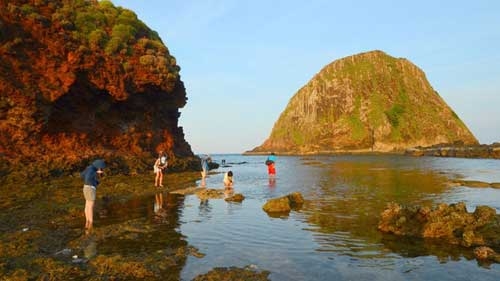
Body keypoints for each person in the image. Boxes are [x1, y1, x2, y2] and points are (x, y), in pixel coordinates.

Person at [81, 159, 105, 232]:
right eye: (101, 168)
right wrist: (95, 181)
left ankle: (87, 222)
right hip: (91, 189)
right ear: (98, 166)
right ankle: (91, 223)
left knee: (87, 206)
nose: (101, 169)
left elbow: (82, 175)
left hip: (85, 187)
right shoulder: (92, 171)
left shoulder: (89, 168)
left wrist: (95, 181)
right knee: (90, 206)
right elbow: (89, 178)